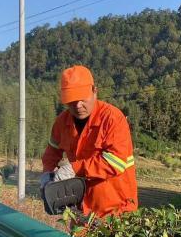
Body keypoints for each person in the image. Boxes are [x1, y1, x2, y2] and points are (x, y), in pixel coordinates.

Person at [41, 65, 138, 217]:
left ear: (95, 91)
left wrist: (74, 169)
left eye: (82, 99)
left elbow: (116, 162)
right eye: (72, 101)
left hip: (116, 210)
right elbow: (51, 152)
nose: (78, 106)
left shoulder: (112, 119)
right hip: (81, 210)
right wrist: (47, 173)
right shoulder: (62, 122)